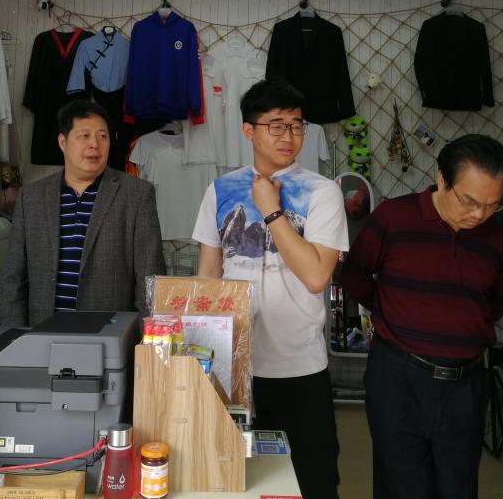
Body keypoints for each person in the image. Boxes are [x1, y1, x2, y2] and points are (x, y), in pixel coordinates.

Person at [193, 78, 349, 499]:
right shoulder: (221, 190)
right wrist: (200, 353)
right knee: (236, 480)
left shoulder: (322, 192)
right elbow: (209, 273)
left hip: (300, 367)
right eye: (276, 125)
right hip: (232, 367)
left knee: (313, 481)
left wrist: (271, 210)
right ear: (249, 130)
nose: (288, 136)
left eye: (296, 126)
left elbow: (316, 276)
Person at [341, 134, 503, 499]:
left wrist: (460, 325)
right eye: (469, 201)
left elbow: (494, 303)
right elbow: (355, 275)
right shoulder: (394, 219)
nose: (479, 214)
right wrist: (394, 311)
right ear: (442, 180)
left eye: (492, 205)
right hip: (398, 379)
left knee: (458, 487)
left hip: (465, 386)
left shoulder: (496, 237)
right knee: (401, 487)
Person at [0, 100, 166, 326]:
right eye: (84, 136)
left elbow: (151, 283)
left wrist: (141, 342)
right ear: (63, 142)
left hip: (109, 336)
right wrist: (14, 338)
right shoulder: (31, 197)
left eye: (102, 136)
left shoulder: (136, 195)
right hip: (42, 333)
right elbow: (14, 279)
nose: (94, 145)